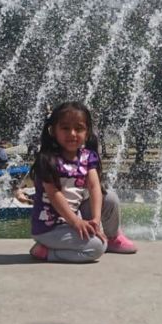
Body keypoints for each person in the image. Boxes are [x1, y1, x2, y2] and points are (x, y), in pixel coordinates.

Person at [29, 101, 137, 262]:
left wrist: (96, 221)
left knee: (109, 198)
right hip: (50, 227)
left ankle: (113, 237)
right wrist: (76, 222)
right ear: (53, 131)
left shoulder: (87, 156)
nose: (72, 133)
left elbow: (94, 186)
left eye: (79, 128)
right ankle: (45, 252)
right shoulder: (48, 160)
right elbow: (54, 195)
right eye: (65, 128)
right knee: (97, 247)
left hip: (74, 217)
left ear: (87, 133)